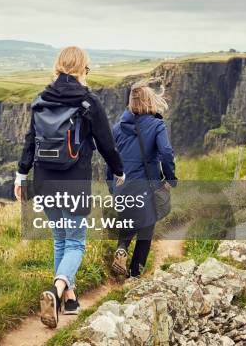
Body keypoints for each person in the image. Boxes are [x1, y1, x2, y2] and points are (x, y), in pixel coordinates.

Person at [14, 46, 125, 328]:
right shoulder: (88, 102)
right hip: (74, 181)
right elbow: (106, 143)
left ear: (58, 67)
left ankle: (69, 298)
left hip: (44, 180)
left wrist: (21, 174)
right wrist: (119, 170)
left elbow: (30, 139)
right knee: (75, 242)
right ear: (81, 69)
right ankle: (56, 289)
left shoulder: (41, 99)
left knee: (61, 238)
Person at [108, 81, 177, 278]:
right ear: (150, 100)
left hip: (121, 186)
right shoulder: (157, 125)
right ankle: (134, 274)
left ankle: (122, 248)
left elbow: (109, 158)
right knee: (146, 227)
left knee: (128, 220)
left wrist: (111, 186)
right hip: (146, 186)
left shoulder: (117, 128)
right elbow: (165, 152)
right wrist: (170, 178)